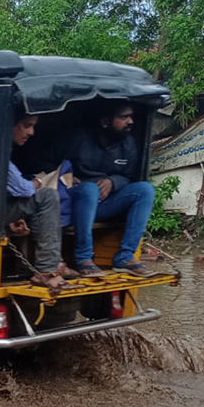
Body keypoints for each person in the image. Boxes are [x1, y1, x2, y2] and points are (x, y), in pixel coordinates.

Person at [63, 101, 156, 277]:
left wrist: (113, 181)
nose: (130, 122)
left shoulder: (128, 144)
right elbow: (46, 162)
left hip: (103, 204)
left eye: (131, 117)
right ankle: (83, 258)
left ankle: (125, 256)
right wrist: (65, 175)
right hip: (73, 202)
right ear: (105, 122)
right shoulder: (78, 139)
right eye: (123, 117)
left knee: (145, 189)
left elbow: (129, 176)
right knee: (90, 189)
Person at [7, 111, 74, 293]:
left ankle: (54, 262)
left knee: (39, 203)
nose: (32, 133)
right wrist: (38, 182)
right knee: (47, 196)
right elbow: (24, 189)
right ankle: (47, 269)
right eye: (27, 125)